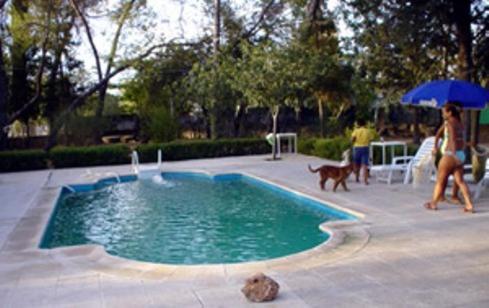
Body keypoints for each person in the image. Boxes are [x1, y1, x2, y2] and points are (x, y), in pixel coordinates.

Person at [424, 103, 474, 213]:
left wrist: (453, 153)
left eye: (444, 112)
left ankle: (433, 203)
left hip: (450, 155)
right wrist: (459, 155)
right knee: (461, 181)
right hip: (461, 154)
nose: (443, 114)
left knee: (440, 181)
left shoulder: (449, 123)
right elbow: (461, 140)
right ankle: (469, 205)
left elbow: (453, 139)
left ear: (450, 112)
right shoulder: (460, 124)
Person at [351, 119, 374, 185]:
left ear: (358, 124)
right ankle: (365, 180)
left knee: (357, 164)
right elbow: (371, 139)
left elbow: (352, 139)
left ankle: (357, 178)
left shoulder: (356, 131)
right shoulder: (368, 131)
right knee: (365, 165)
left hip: (357, 148)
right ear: (365, 124)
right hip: (365, 147)